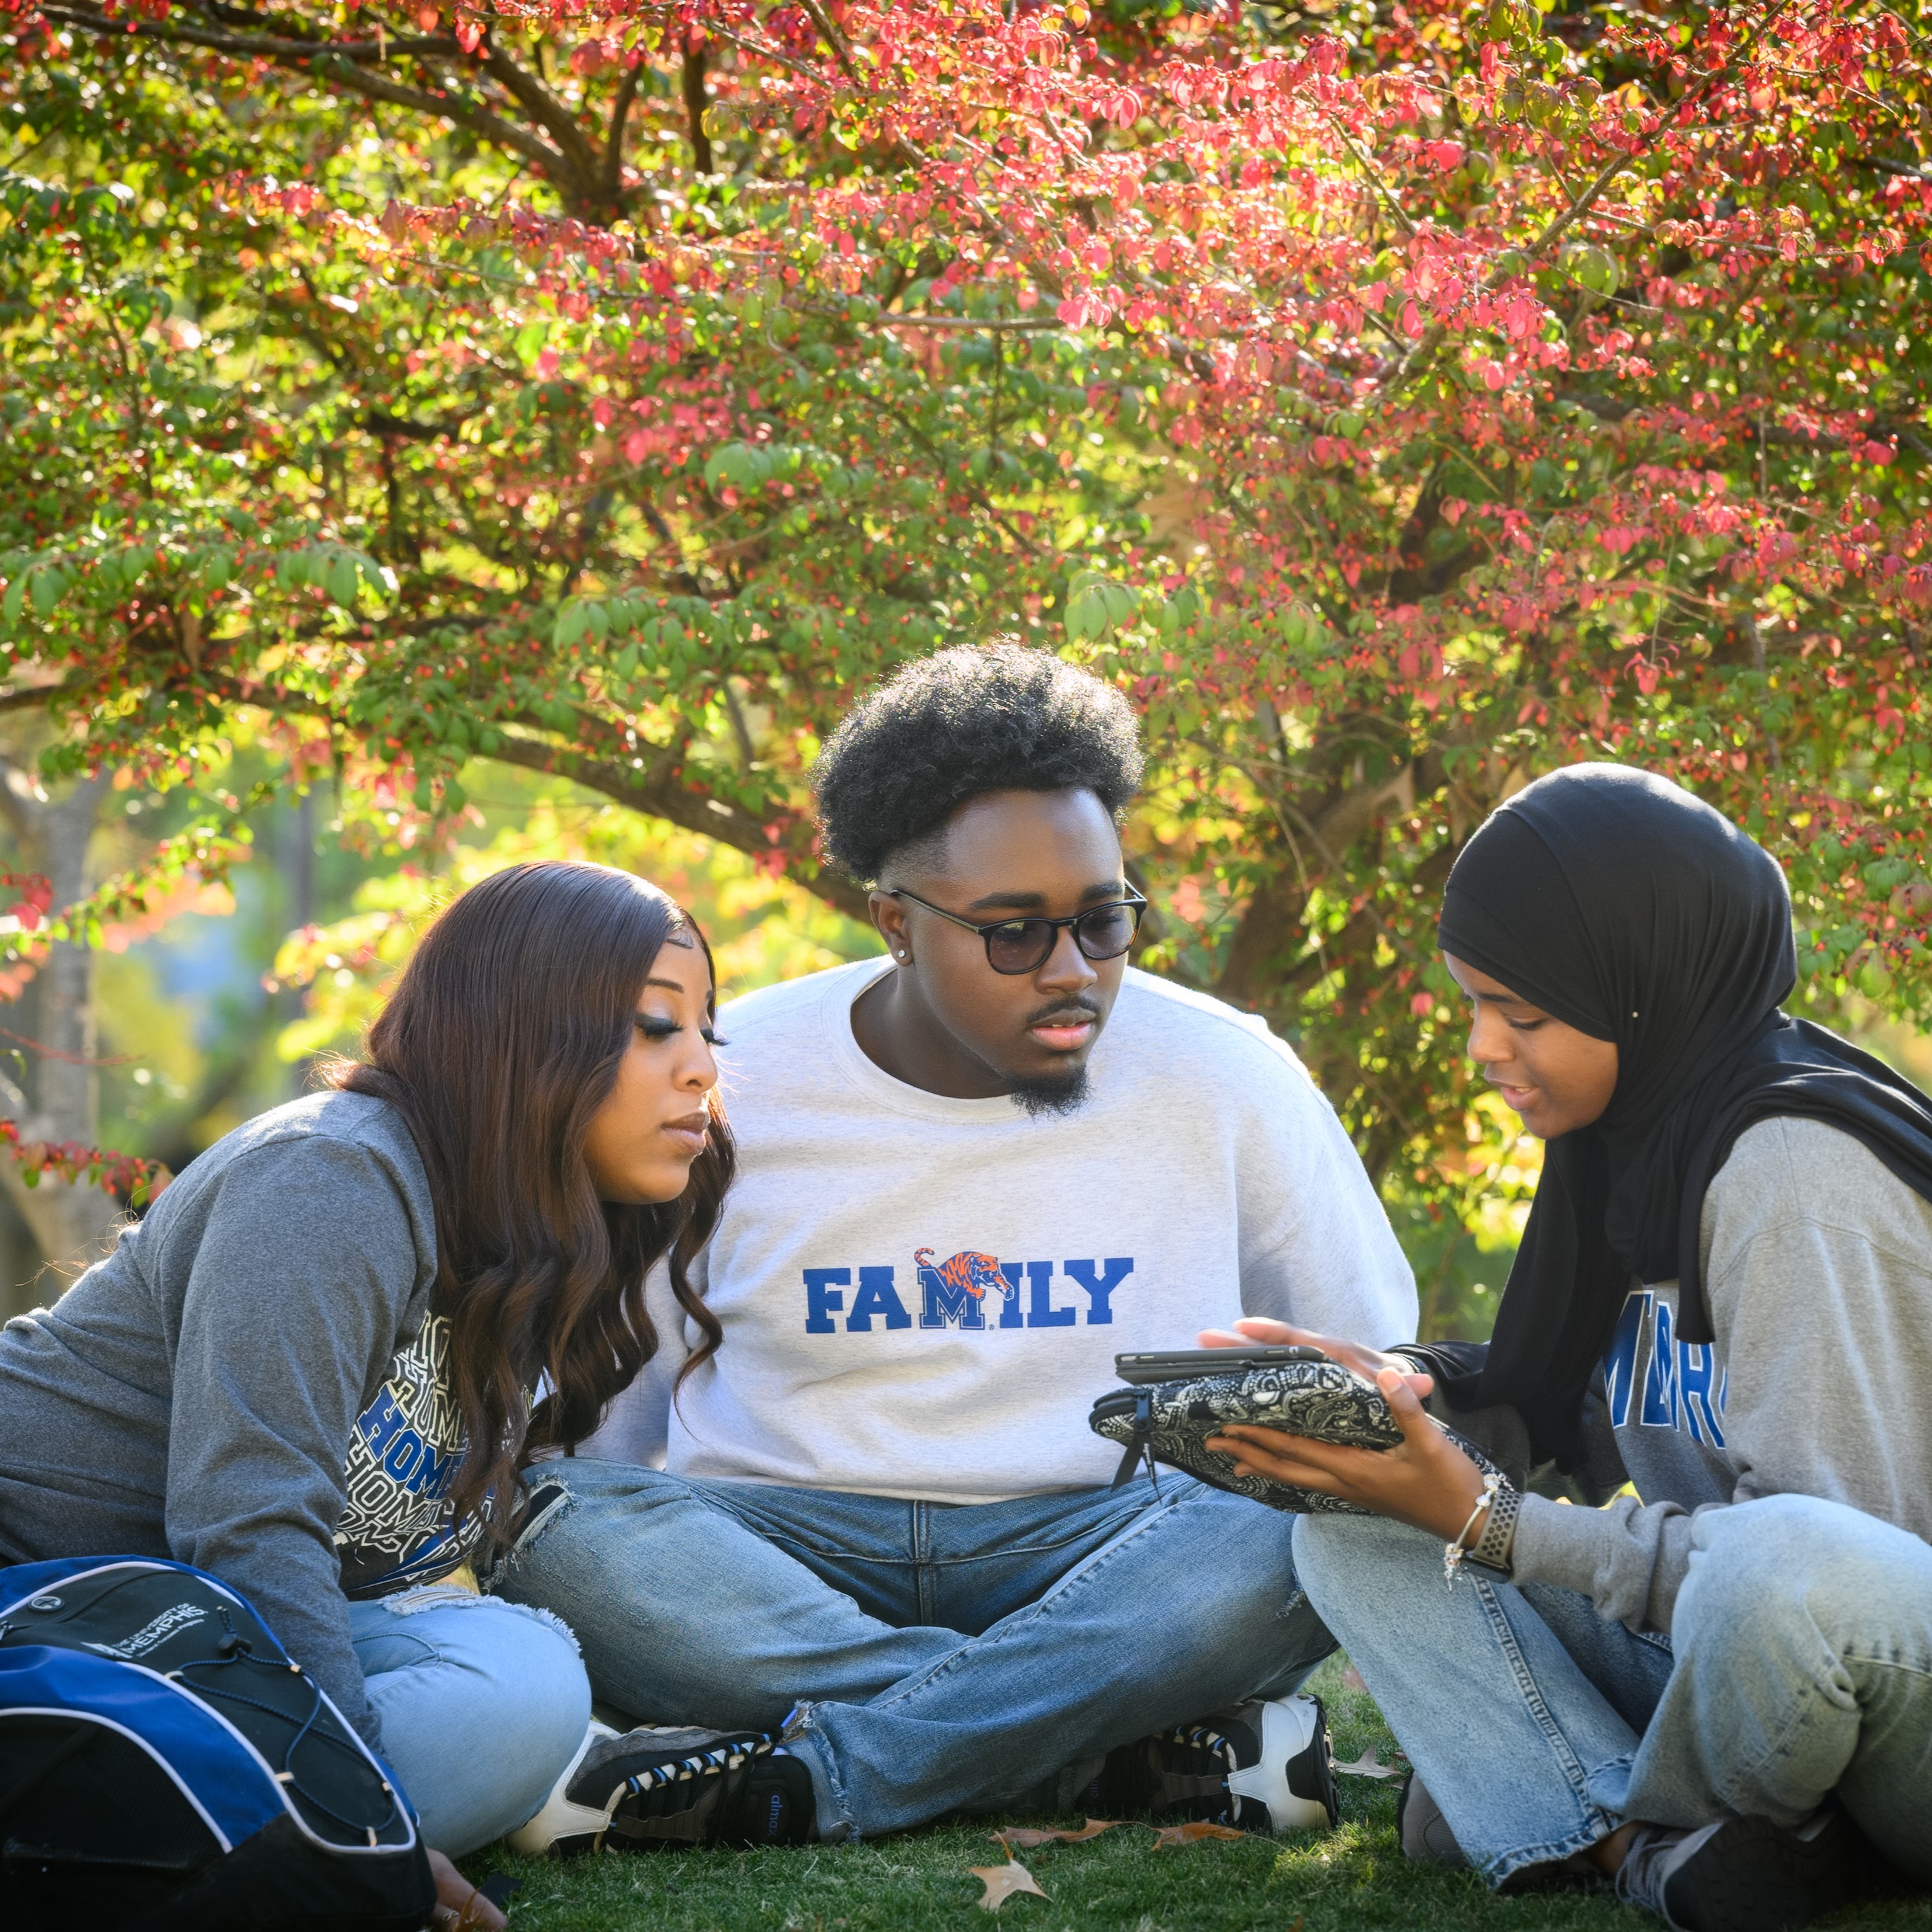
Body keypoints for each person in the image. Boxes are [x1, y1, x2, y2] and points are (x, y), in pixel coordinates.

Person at [494, 643, 1419, 1852]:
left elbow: (1374, 1368)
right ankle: (1107, 1744)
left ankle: (833, 1773)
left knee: (1316, 1515)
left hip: (1109, 1546)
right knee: (557, 1521)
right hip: (790, 1553)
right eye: (1015, 935)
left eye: (1103, 920)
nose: (1075, 972)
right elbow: (614, 1416)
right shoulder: (730, 1082)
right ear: (895, 921)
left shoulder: (1226, 1073)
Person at [1196, 764, 1932, 1932]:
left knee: (1771, 1569)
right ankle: (1644, 1844)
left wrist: (1494, 1526)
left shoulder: (1792, 1175)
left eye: (1524, 1014)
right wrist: (1411, 1391)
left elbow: (1823, 1578)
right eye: (1474, 1002)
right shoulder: (1631, 1148)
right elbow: (1585, 1386)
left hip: (1889, 1689)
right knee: (1354, 1534)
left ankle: (1572, 1803)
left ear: (1643, 991)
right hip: (1734, 1667)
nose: (1485, 1045)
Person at [0, 861, 734, 1924]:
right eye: (657, 1027)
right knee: (521, 1699)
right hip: (56, 1622)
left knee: (527, 1671)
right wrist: (363, 1825)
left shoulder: (532, 1225)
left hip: (196, 1635)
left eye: (712, 1032)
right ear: (524, 1035)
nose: (703, 1070)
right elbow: (246, 1522)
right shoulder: (330, 1180)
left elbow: (418, 1555)